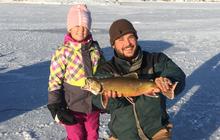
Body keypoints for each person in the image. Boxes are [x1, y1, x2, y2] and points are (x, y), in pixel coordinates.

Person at [92, 19, 186, 140]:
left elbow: (177, 74)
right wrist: (112, 99)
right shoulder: (106, 70)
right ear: (113, 44)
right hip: (122, 135)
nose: (127, 43)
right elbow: (96, 100)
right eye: (121, 40)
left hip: (157, 132)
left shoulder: (156, 59)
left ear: (136, 38)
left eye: (130, 37)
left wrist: (167, 81)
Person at [47, 4, 105, 140]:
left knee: (92, 135)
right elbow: (54, 80)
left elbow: (105, 71)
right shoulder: (62, 52)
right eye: (76, 26)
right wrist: (55, 105)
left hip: (93, 104)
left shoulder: (95, 49)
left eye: (84, 26)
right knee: (76, 136)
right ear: (70, 28)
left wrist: (106, 97)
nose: (81, 30)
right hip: (72, 106)